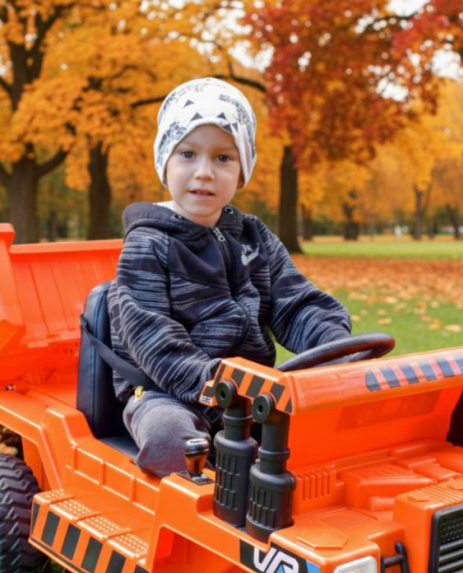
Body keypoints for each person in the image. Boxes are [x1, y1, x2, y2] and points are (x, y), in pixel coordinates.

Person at [108, 78, 352, 477]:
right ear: (164, 163)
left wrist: (335, 345)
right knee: (172, 437)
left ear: (242, 172)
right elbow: (150, 333)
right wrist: (213, 383)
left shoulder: (256, 238)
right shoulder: (147, 244)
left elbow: (296, 304)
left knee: (323, 428)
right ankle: (196, 511)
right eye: (188, 154)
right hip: (169, 392)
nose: (204, 172)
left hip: (255, 394)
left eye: (223, 158)